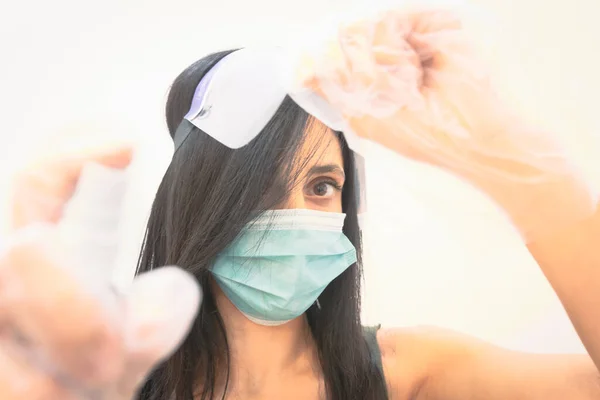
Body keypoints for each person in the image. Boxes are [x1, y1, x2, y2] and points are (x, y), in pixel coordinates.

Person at [2, 23, 600, 400]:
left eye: (320, 186)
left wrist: (526, 173)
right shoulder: (108, 383)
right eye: (260, 186)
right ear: (203, 198)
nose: (295, 213)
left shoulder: (407, 370)